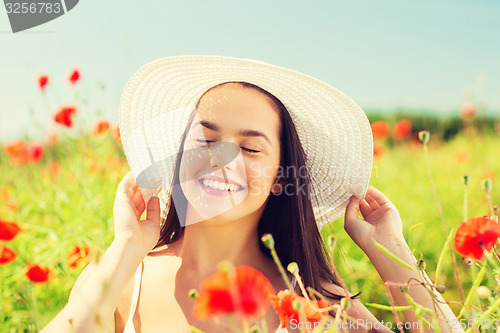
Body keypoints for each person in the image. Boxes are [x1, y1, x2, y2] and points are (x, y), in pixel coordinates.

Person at [41, 56, 463, 333]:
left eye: (249, 148)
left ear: (281, 176)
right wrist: (128, 246)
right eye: (205, 141)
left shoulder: (313, 302)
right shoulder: (121, 277)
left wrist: (390, 249)